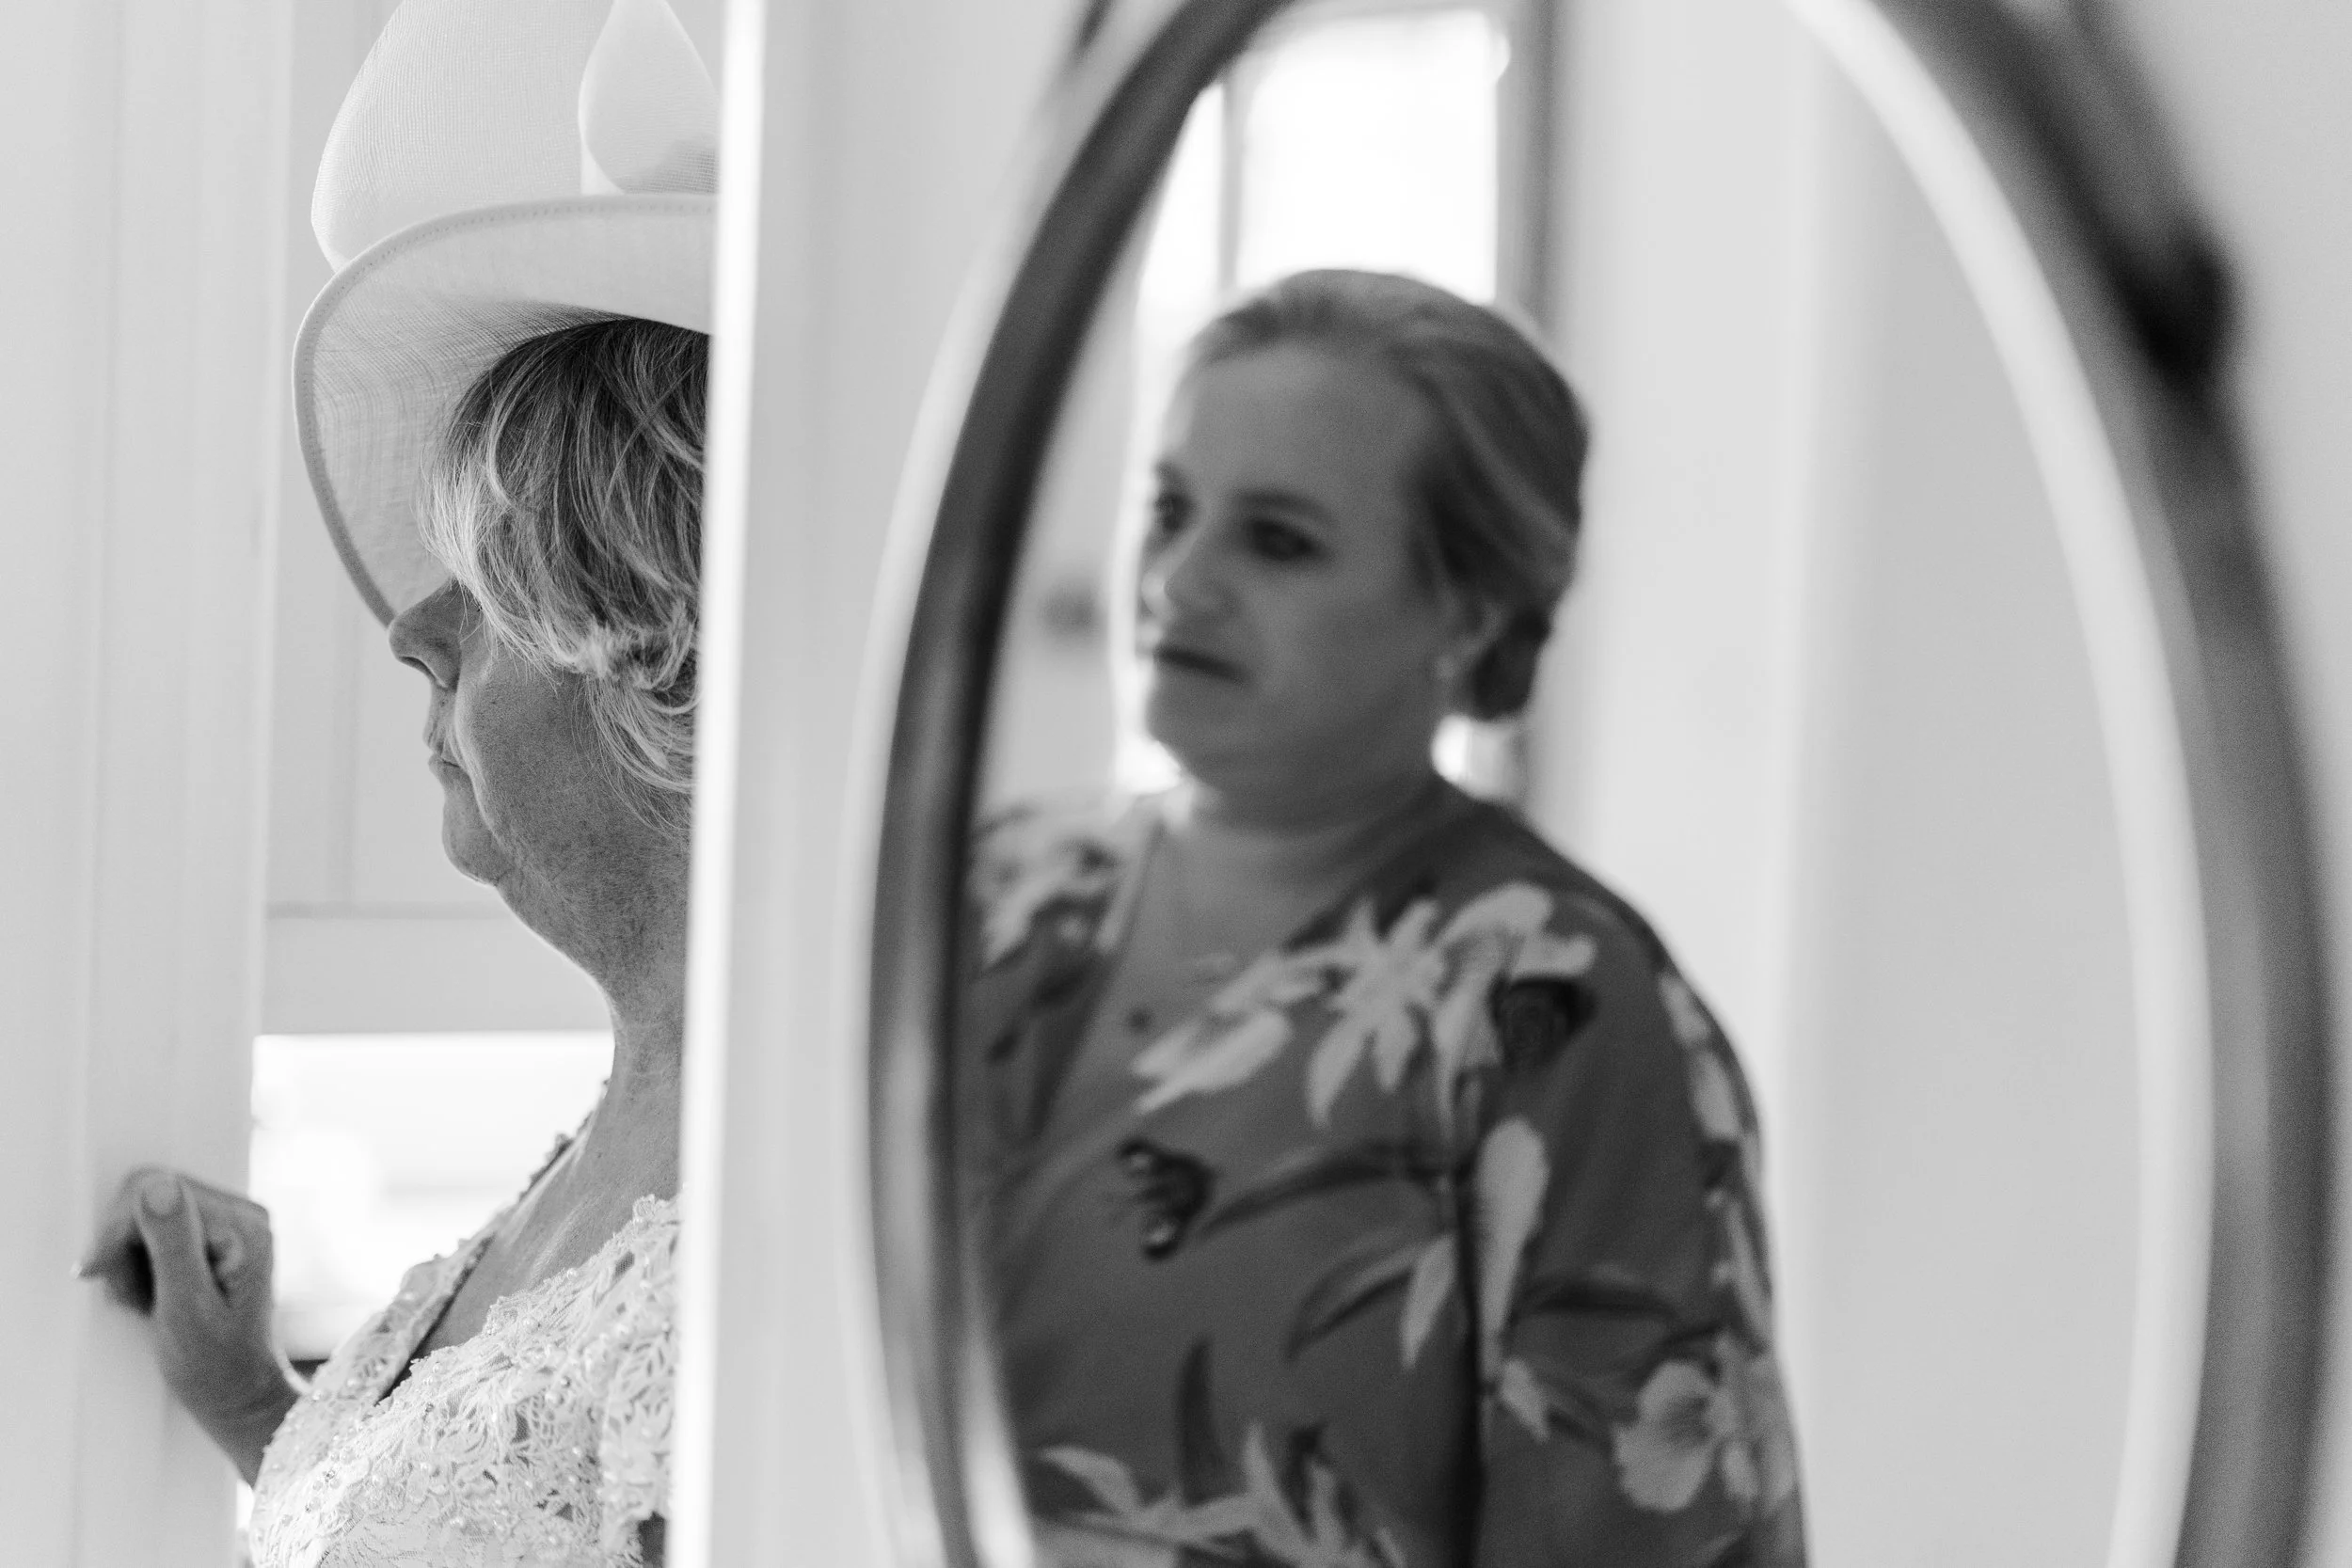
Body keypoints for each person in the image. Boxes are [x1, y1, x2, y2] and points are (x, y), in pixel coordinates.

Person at [965, 269, 1806, 1567]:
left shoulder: (1554, 1002)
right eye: (1171, 510)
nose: (1182, 582)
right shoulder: (999, 890)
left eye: (1280, 540)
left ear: (1466, 610)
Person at [75, 1, 718, 1562]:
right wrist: (258, 1400)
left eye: (480, 576)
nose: (410, 620)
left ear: (639, 632)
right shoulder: (617, 1122)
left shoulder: (768, 1189)